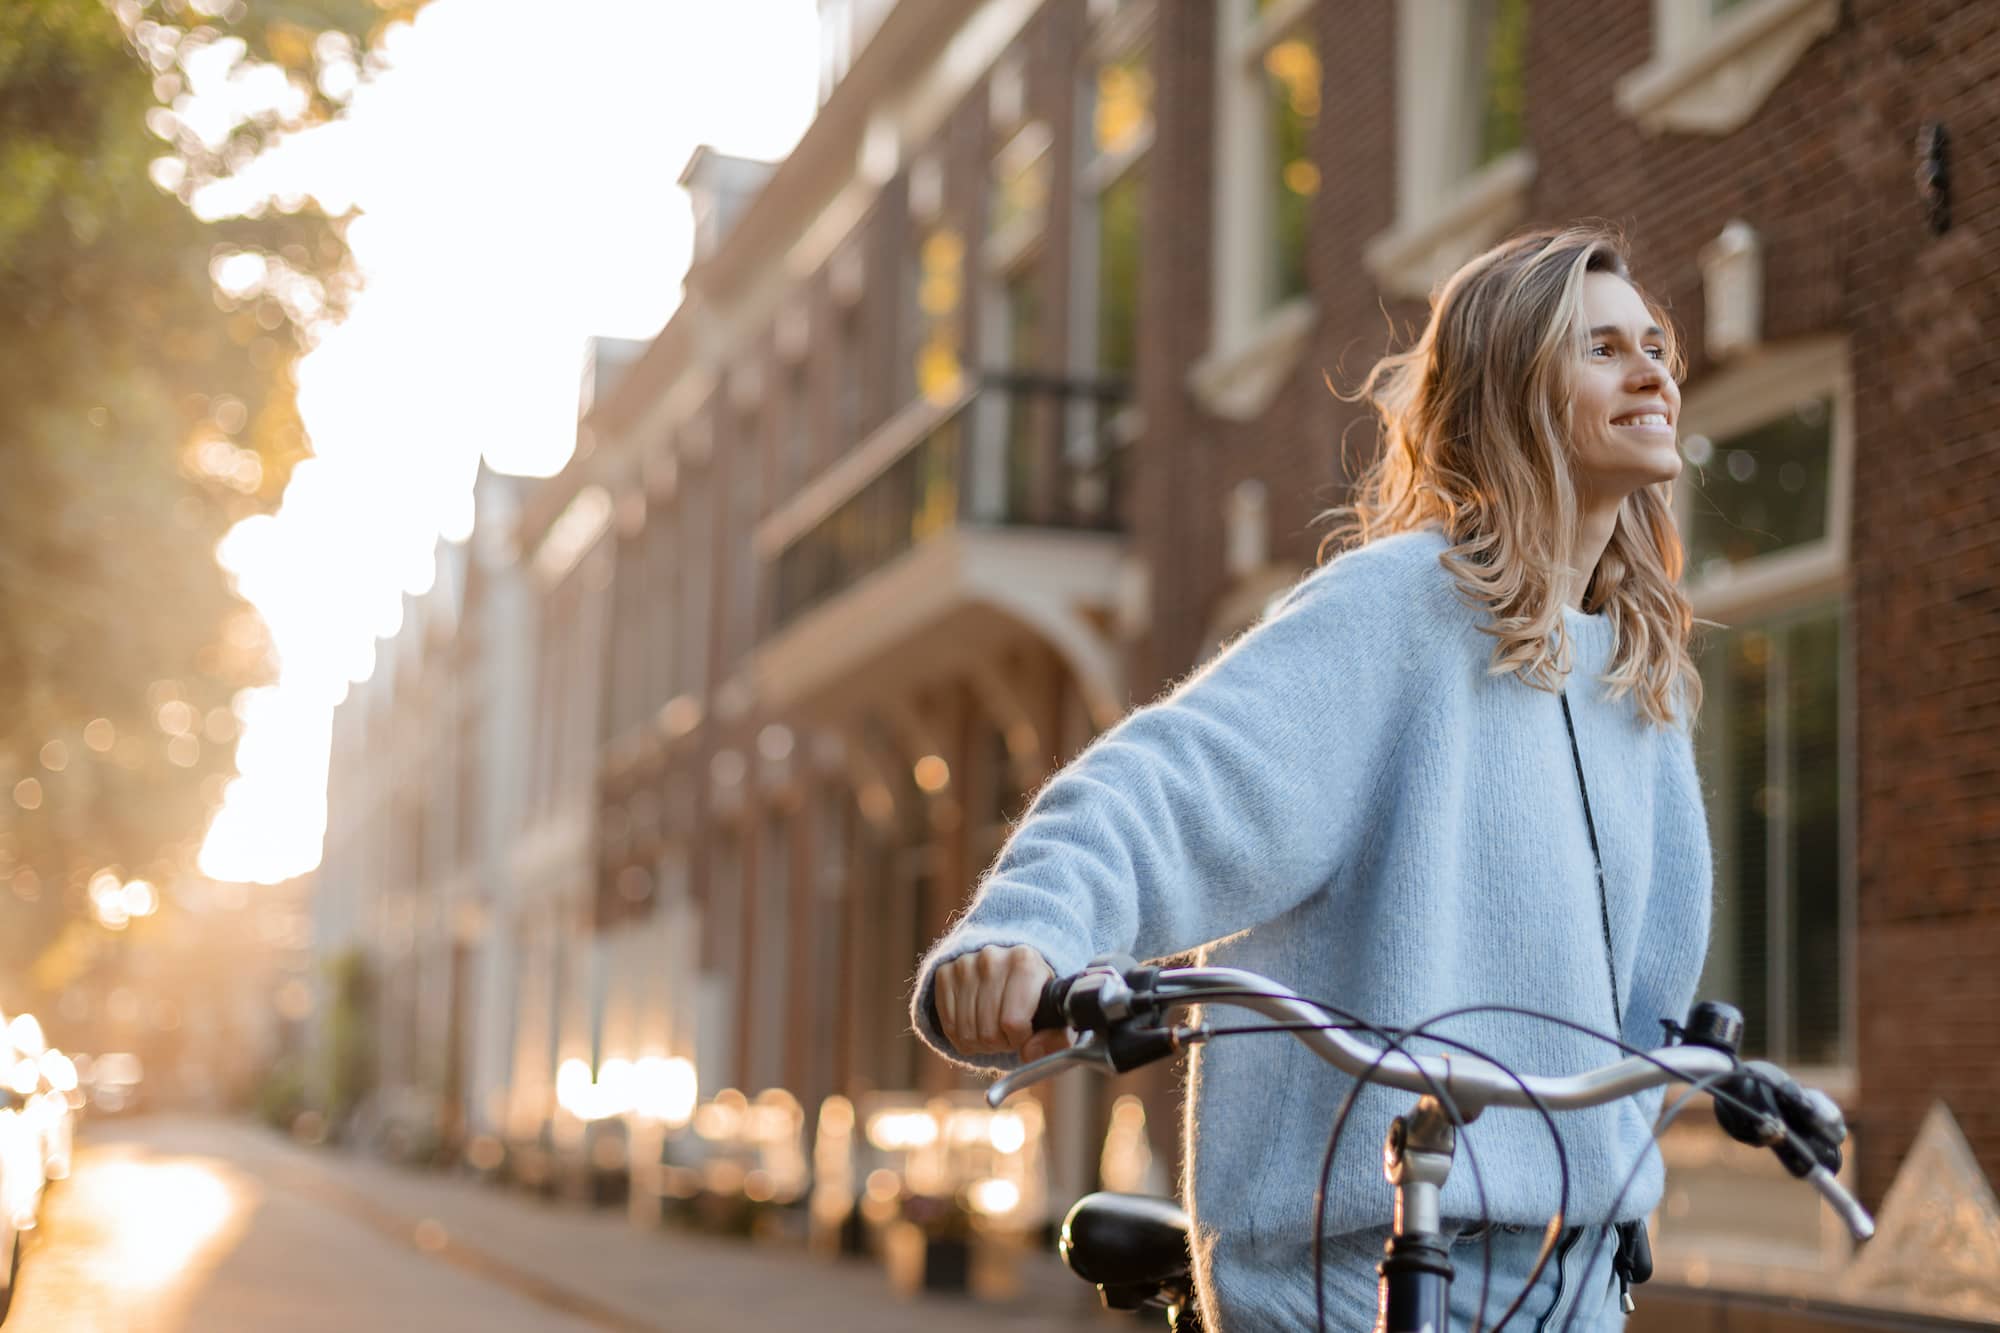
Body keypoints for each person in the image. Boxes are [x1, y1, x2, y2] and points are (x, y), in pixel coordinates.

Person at [908, 222, 1713, 1331]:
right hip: (1358, 1267)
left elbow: (1645, 1015)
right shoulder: (1401, 610)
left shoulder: (1639, 681)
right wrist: (1029, 931)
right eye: (1600, 349)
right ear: (1512, 389)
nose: (1650, 370)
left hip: (1571, 1278)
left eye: (1653, 344)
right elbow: (1169, 784)